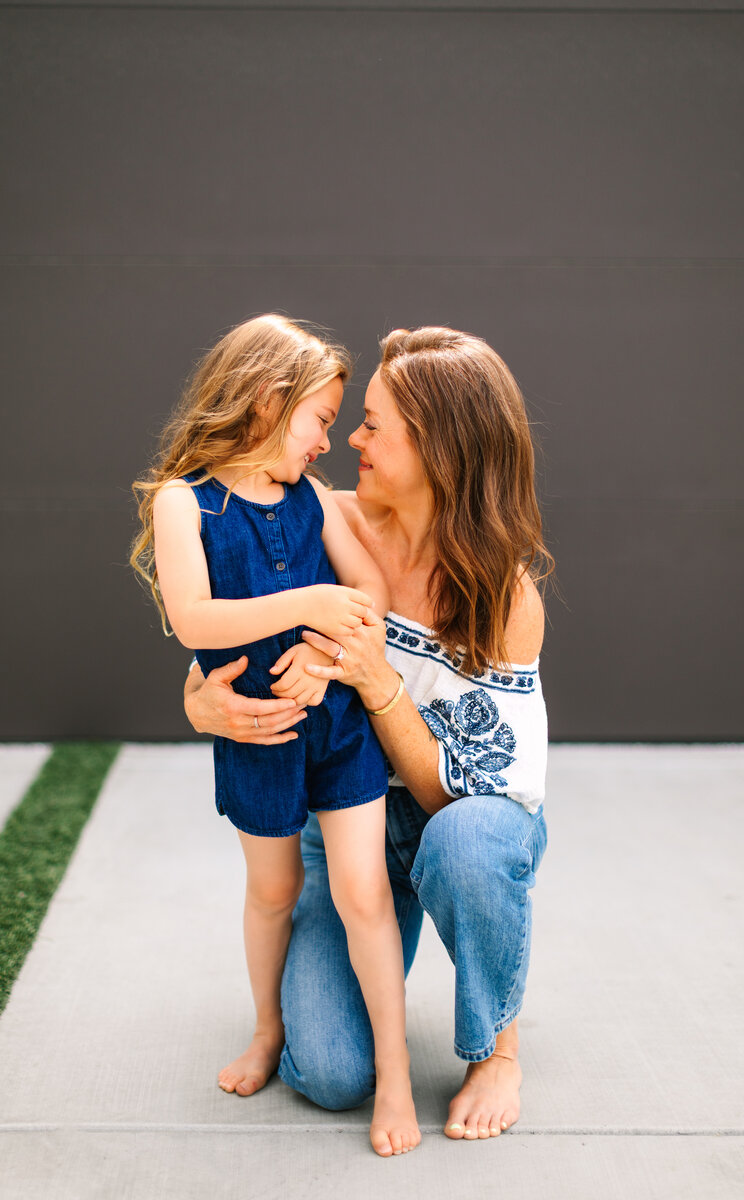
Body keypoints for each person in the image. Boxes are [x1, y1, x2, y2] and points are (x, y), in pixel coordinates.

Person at [184, 325, 553, 1143]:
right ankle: (325, 1022)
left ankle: (497, 1046)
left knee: (469, 844)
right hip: (345, 823)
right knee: (326, 1073)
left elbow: (466, 791)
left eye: (375, 424)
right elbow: (233, 635)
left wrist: (373, 677)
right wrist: (201, 704)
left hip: (457, 813)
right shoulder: (319, 515)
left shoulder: (504, 595)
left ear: (441, 450)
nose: (350, 436)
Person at [131, 314, 422, 1157]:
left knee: (360, 892)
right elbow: (194, 617)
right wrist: (305, 607)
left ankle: (395, 1070)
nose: (329, 441)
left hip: (336, 731)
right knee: (274, 891)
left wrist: (325, 658)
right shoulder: (185, 503)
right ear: (268, 400)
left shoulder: (309, 501)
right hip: (256, 735)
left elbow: (366, 592)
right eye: (322, 419)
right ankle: (267, 1028)